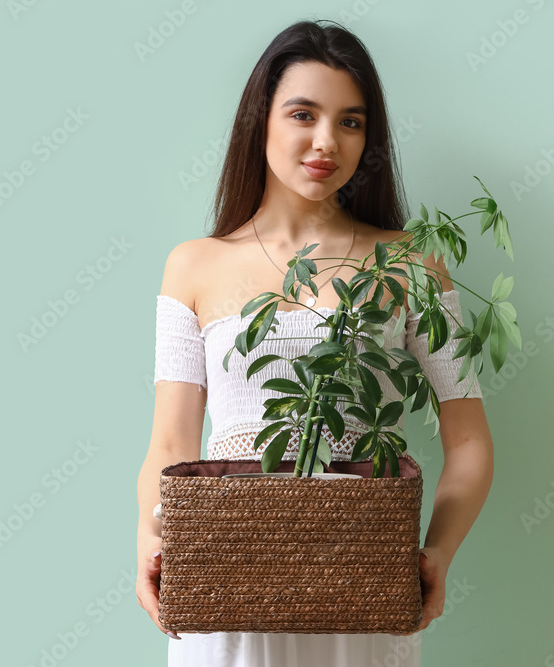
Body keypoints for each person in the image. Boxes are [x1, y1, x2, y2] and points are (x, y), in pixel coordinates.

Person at [136, 19, 495, 666]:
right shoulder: (192, 266)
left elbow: (468, 439)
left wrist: (437, 551)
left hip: (363, 576)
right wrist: (148, 538)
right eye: (303, 113)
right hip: (228, 575)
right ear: (260, 119)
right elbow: (168, 443)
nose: (326, 141)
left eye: (351, 122)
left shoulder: (413, 265)